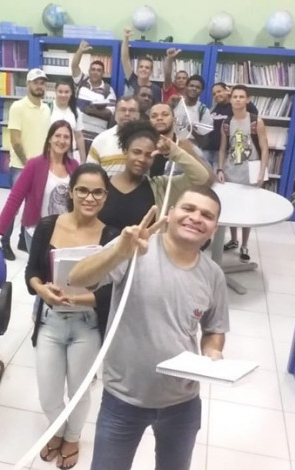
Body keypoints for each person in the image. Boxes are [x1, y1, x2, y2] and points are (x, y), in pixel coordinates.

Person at [69, 188, 229, 470]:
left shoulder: (213, 274)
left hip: (182, 403)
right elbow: (76, 278)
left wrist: (212, 351)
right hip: (123, 399)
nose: (196, 218)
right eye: (188, 208)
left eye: (206, 215)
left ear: (214, 229)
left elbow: (214, 329)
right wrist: (118, 252)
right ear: (171, 213)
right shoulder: (136, 246)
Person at [26, 164, 119, 470]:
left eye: (97, 192)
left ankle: (72, 437)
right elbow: (32, 271)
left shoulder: (111, 236)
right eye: (82, 190)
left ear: (106, 196)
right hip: (50, 321)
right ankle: (57, 429)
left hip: (86, 325)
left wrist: (77, 298)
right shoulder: (47, 226)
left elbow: (111, 291)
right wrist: (42, 289)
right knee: (48, 394)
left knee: (79, 392)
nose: (89, 198)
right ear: (71, 192)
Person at [0, 121, 79, 252]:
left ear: (71, 142)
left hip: (64, 233)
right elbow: (15, 198)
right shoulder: (34, 165)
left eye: (66, 137)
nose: (62, 141)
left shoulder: (74, 166)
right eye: (57, 136)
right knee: (38, 266)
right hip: (37, 233)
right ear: (49, 139)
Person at [98, 119, 214, 231]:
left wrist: (174, 151)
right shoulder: (101, 185)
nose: (142, 159)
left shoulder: (161, 187)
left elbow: (201, 178)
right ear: (125, 150)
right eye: (136, 152)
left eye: (149, 155)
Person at [3, 67, 52, 260]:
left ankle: (23, 240)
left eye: (42, 83)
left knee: (34, 205)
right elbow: (15, 140)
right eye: (36, 82)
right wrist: (27, 164)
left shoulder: (46, 108)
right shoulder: (18, 107)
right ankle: (4, 242)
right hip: (21, 167)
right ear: (28, 84)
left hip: (41, 166)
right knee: (14, 206)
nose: (40, 86)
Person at [217, 84, 269, 263]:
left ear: (247, 100)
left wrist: (262, 171)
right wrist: (220, 169)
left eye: (241, 97)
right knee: (231, 208)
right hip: (231, 172)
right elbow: (223, 148)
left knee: (247, 210)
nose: (238, 100)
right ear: (230, 99)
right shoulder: (226, 123)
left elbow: (264, 147)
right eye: (235, 96)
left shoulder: (256, 122)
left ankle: (245, 244)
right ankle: (233, 239)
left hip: (250, 172)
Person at [201, 82, 259, 169]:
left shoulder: (235, 107)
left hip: (224, 151)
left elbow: (254, 112)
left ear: (227, 91)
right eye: (214, 94)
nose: (217, 95)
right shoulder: (215, 108)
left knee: (219, 175)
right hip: (209, 149)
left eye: (219, 91)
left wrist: (233, 93)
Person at [148, 102, 214, 180]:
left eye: (165, 114)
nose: (159, 118)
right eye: (154, 116)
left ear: (174, 119)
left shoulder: (187, 147)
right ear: (149, 121)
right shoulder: (144, 147)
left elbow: (209, 176)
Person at [71, 40, 116, 150]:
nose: (95, 72)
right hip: (78, 137)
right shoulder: (81, 82)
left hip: (97, 140)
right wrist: (80, 51)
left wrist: (91, 111)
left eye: (99, 70)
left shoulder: (108, 90)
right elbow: (74, 66)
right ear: (89, 71)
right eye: (93, 69)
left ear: (103, 73)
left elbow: (110, 113)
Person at [87, 96, 141, 177]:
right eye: (122, 110)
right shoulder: (100, 140)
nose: (127, 114)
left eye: (132, 110)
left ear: (139, 115)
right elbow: (90, 174)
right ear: (115, 114)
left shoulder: (147, 140)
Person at [173, 75, 214, 151]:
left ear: (201, 91)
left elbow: (204, 143)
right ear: (186, 87)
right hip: (172, 146)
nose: (194, 89)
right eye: (191, 86)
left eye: (198, 87)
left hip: (191, 151)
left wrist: (192, 130)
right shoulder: (175, 103)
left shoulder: (204, 111)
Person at [121, 27, 161, 104]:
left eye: (147, 68)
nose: (143, 69)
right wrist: (126, 38)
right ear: (137, 69)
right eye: (141, 66)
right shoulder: (132, 80)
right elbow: (125, 59)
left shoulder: (156, 89)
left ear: (151, 71)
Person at [51, 80, 88, 162]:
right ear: (55, 92)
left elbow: (79, 137)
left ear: (71, 93)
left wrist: (83, 160)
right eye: (60, 92)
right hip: (51, 154)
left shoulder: (75, 112)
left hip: (71, 155)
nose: (63, 95)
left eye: (66, 92)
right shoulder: (48, 108)